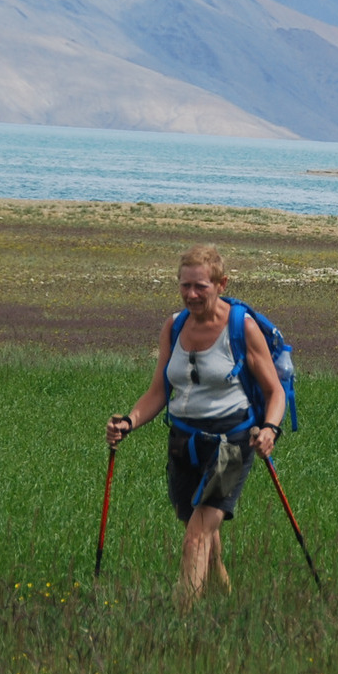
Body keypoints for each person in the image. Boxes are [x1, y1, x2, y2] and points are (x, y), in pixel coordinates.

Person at [106, 244, 285, 607]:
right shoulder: (173, 326)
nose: (191, 294)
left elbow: (274, 391)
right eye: (185, 285)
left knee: (195, 538)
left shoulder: (241, 327)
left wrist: (270, 429)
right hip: (183, 442)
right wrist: (128, 422)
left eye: (200, 286)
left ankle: (181, 622)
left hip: (231, 443)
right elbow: (159, 391)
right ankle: (222, 591)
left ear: (221, 283)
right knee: (197, 523)